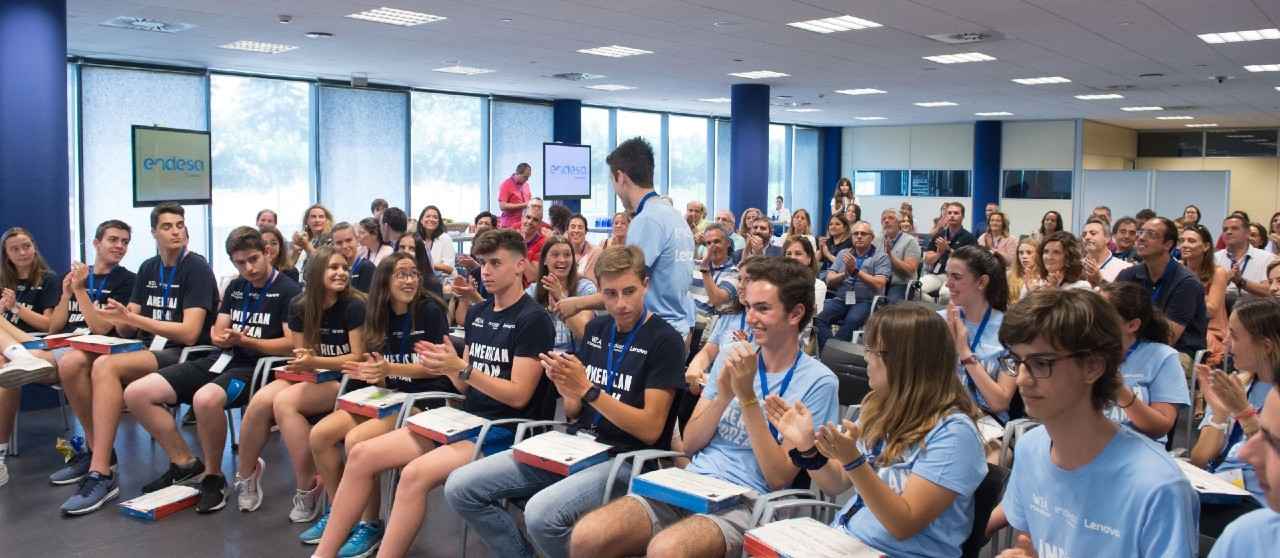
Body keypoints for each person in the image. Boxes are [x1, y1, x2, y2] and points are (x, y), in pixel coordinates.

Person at [569, 256, 839, 558]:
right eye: (749, 307)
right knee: (587, 536)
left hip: (750, 500)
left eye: (763, 308)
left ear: (795, 314)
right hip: (693, 482)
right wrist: (723, 395)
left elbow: (777, 478)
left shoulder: (818, 381)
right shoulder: (731, 356)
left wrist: (747, 398)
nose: (750, 318)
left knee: (666, 550)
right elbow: (691, 445)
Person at [316, 229, 554, 557]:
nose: (486, 270)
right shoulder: (477, 313)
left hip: (505, 428)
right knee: (360, 454)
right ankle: (323, 553)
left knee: (414, 475)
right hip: (465, 418)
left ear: (520, 266)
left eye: (496, 263)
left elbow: (518, 396)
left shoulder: (534, 319)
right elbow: (462, 386)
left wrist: (461, 368)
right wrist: (446, 366)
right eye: (483, 263)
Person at [445, 245, 686, 558]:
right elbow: (573, 410)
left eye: (629, 291)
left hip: (626, 458)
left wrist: (587, 390)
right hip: (578, 443)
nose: (621, 304)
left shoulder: (664, 340)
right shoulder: (599, 329)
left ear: (646, 285)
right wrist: (565, 385)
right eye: (610, 294)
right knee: (460, 487)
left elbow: (651, 430)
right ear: (599, 292)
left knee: (541, 515)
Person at [992, 288, 1198, 557]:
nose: (1021, 379)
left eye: (1041, 363)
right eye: (1016, 361)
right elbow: (1033, 543)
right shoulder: (1031, 447)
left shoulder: (1158, 486)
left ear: (1092, 367)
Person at [769, 304, 987, 557]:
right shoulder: (880, 406)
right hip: (849, 543)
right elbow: (836, 483)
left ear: (905, 362)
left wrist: (853, 460)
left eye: (872, 351)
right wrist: (806, 447)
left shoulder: (954, 434)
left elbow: (903, 524)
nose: (866, 358)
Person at [122, 227, 300, 513]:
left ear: (268, 252)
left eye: (253, 259)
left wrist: (246, 340)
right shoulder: (235, 287)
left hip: (258, 367)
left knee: (205, 399)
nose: (249, 268)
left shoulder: (289, 290)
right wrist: (220, 337)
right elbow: (220, 328)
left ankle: (214, 477)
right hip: (222, 358)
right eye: (240, 263)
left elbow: (291, 345)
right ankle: (186, 463)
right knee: (137, 392)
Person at [58, 203, 218, 515]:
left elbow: (189, 332)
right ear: (154, 233)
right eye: (168, 226)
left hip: (185, 352)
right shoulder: (148, 268)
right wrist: (118, 315)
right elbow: (119, 326)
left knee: (105, 365)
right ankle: (98, 453)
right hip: (148, 349)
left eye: (180, 225)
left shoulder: (196, 267)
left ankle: (102, 472)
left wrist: (136, 321)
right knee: (71, 362)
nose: (176, 231)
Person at [305, 253, 451, 557]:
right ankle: (339, 513)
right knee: (320, 435)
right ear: (385, 281)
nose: (409, 280)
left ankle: (369, 524)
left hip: (424, 400)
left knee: (357, 440)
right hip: (389, 395)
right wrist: (371, 373)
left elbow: (437, 368)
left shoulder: (430, 310)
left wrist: (387, 370)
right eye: (401, 274)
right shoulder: (376, 312)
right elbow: (380, 370)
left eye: (413, 274)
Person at [231, 245, 365, 524]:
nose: (341, 273)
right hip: (314, 372)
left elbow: (357, 357)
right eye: (333, 268)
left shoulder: (354, 305)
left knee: (285, 402)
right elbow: (301, 354)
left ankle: (307, 486)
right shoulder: (300, 306)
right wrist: (305, 362)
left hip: (345, 378)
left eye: (344, 267)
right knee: (259, 402)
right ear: (316, 274)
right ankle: (246, 476)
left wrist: (314, 361)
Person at [1190, 301, 1274, 537]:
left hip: (1261, 503)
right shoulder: (1237, 384)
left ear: (1265, 345)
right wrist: (1219, 414)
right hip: (1220, 492)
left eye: (1234, 336)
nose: (1225, 341)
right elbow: (1199, 460)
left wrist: (1245, 415)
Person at [610, 137, 695, 340]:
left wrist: (577, 303)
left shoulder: (647, 220)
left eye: (612, 182)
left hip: (654, 334)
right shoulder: (674, 216)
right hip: (678, 329)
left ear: (621, 178)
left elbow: (624, 285)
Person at [1097, 282, 1190, 442]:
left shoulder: (1162, 357)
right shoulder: (1082, 354)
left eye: (1102, 315)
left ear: (1132, 325)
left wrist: (1120, 390)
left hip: (1139, 449)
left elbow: (1160, 427)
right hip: (1088, 446)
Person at [942, 247, 1014, 438]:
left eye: (956, 277)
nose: (948, 284)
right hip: (941, 415)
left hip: (985, 423)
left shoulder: (1010, 330)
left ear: (981, 282)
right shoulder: (940, 321)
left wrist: (964, 353)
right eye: (947, 275)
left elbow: (999, 402)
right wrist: (947, 347)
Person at [1116, 216, 1208, 359]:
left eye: (1151, 235)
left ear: (1168, 244)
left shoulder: (1186, 283)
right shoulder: (1128, 275)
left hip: (1177, 353)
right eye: (1141, 232)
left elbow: (1167, 337)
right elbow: (1109, 316)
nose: (1141, 238)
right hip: (1132, 344)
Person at [48, 220, 136, 338]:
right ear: (96, 243)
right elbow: (53, 329)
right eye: (113, 240)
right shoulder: (73, 276)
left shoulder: (129, 280)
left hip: (97, 345)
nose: (120, 246)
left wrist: (79, 290)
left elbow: (101, 330)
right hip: (65, 341)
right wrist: (66, 296)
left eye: (125, 242)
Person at [815, 221, 890, 351]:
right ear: (851, 237)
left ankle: (830, 353)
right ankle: (830, 353)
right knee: (818, 317)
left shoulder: (881, 256)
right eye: (856, 234)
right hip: (841, 299)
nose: (859, 236)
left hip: (865, 301)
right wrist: (845, 274)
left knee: (851, 321)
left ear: (871, 237)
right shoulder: (844, 254)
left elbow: (879, 283)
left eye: (863, 234)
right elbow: (829, 279)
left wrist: (856, 271)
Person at [528, 235, 595, 352]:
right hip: (541, 358)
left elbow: (583, 333)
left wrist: (560, 297)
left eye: (567, 255)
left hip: (574, 359)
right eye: (555, 255)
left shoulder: (585, 288)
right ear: (544, 260)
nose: (562, 260)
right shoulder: (533, 291)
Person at [1183, 224, 1229, 363]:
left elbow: (1210, 311)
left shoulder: (1218, 272)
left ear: (1206, 246)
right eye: (1182, 240)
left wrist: (1180, 301)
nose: (1184, 245)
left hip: (1210, 331)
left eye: (1191, 241)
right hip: (1182, 327)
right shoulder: (1176, 270)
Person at [1, 227, 60, 334]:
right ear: (7, 255)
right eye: (15, 249)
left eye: (27, 246)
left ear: (34, 248)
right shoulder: (2, 280)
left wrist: (15, 307)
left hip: (33, 338)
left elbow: (49, 325)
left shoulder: (48, 279)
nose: (23, 253)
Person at [921, 202, 976, 302]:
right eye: (949, 213)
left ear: (963, 216)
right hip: (938, 274)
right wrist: (939, 253)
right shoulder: (939, 235)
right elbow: (928, 259)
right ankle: (934, 307)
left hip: (958, 276)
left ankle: (943, 314)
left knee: (945, 294)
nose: (952, 216)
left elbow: (969, 263)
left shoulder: (969, 238)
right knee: (916, 288)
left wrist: (948, 249)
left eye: (956, 213)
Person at [1216, 214, 1274, 302]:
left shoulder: (1267, 258)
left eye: (1234, 228)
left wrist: (1241, 282)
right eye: (1225, 229)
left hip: (1255, 310)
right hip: (1221, 307)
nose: (1228, 232)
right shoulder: (1215, 258)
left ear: (1247, 233)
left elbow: (1271, 291)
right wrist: (1223, 281)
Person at [783, 236, 825, 350]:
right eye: (788, 254)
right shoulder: (775, 283)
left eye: (798, 253)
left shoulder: (818, 286)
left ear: (809, 259)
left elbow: (809, 319)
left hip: (799, 338)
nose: (792, 258)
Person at [691, 223, 739, 320]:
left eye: (716, 242)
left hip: (705, 326)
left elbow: (716, 300)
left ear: (728, 243)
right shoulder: (695, 265)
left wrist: (705, 269)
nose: (712, 247)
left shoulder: (734, 272)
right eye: (708, 243)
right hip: (686, 319)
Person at [1024, 231, 1091, 294]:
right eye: (1046, 252)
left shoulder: (1081, 287)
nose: (1049, 257)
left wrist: (1054, 292)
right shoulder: (1035, 284)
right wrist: (1031, 293)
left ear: (1068, 258)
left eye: (1056, 252)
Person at [881, 209, 921, 302]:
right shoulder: (877, 240)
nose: (886, 221)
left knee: (891, 307)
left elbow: (910, 270)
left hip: (900, 283)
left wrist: (890, 256)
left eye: (891, 218)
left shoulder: (910, 241)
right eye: (883, 219)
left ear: (899, 222)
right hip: (879, 282)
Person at [1080, 218, 1131, 287]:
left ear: (1107, 238)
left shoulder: (1125, 268)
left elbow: (1121, 296)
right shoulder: (1077, 266)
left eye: (1093, 233)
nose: (1087, 237)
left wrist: (1099, 280)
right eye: (1084, 234)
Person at [331, 222, 376, 293]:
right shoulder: (332, 270)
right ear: (333, 245)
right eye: (339, 243)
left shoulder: (367, 267)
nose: (344, 246)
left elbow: (365, 301)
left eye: (348, 240)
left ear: (357, 240)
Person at [415, 205, 456, 279]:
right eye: (428, 216)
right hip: (423, 278)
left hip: (445, 279)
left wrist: (427, 265)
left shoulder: (445, 238)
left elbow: (449, 268)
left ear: (439, 222)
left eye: (435, 217)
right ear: (421, 220)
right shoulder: (416, 239)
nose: (431, 219)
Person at [497, 162, 533, 229]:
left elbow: (529, 201)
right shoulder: (506, 185)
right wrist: (524, 205)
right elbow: (502, 206)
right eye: (525, 177)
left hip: (523, 224)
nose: (527, 179)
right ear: (517, 173)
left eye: (528, 177)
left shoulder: (526, 185)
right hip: (509, 225)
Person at [1006, 236, 1040, 303]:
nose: (1024, 256)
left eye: (1029, 252)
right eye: (1021, 253)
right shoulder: (1009, 275)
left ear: (1038, 255)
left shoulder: (1042, 278)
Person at [520, 206, 548, 284]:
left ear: (539, 224)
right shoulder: (511, 236)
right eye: (528, 217)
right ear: (522, 218)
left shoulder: (543, 244)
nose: (530, 222)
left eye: (535, 220)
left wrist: (520, 246)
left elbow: (532, 277)